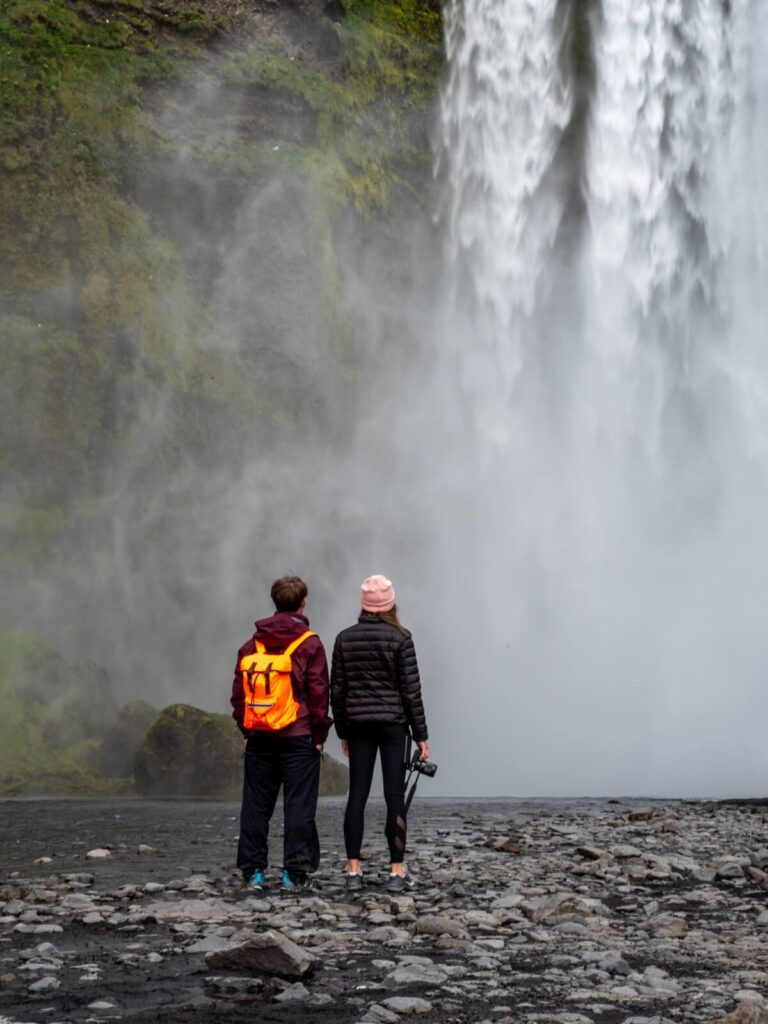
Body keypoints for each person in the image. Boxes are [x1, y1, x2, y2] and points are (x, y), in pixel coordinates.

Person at [231, 574, 332, 893]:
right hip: (299, 737)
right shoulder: (310, 644)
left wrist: (246, 728)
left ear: (274, 603)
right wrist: (319, 735)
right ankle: (294, 874)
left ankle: (253, 874)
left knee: (256, 806)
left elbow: (238, 695)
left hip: (259, 737)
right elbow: (319, 694)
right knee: (299, 805)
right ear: (303, 603)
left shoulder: (252, 644)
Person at [331, 574, 429, 893]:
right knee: (394, 796)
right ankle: (396, 870)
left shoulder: (344, 639)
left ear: (364, 605)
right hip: (393, 726)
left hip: (357, 724)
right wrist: (420, 736)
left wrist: (343, 731)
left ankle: (353, 870)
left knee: (356, 795)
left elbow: (338, 692)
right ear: (390, 604)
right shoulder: (401, 639)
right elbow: (411, 692)